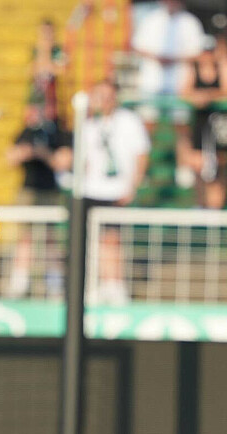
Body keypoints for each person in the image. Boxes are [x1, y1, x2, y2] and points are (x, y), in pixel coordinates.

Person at [80, 79, 151, 305]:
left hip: (116, 189)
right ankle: (96, 285)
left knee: (112, 239)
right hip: (91, 189)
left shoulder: (128, 121)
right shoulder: (88, 124)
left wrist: (133, 185)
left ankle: (115, 285)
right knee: (91, 240)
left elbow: (141, 153)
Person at [4, 103, 71, 297]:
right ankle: (20, 282)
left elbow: (63, 162)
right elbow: (9, 158)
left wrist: (43, 153)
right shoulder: (25, 132)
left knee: (50, 238)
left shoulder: (57, 132)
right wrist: (25, 152)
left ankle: (54, 282)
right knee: (26, 237)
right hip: (28, 192)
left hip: (50, 192)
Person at [181, 37, 227, 209]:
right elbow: (184, 91)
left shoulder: (225, 66)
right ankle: (202, 204)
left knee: (219, 165)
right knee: (198, 165)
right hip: (201, 122)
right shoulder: (193, 68)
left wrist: (208, 96)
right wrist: (198, 97)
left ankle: (215, 207)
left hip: (222, 123)